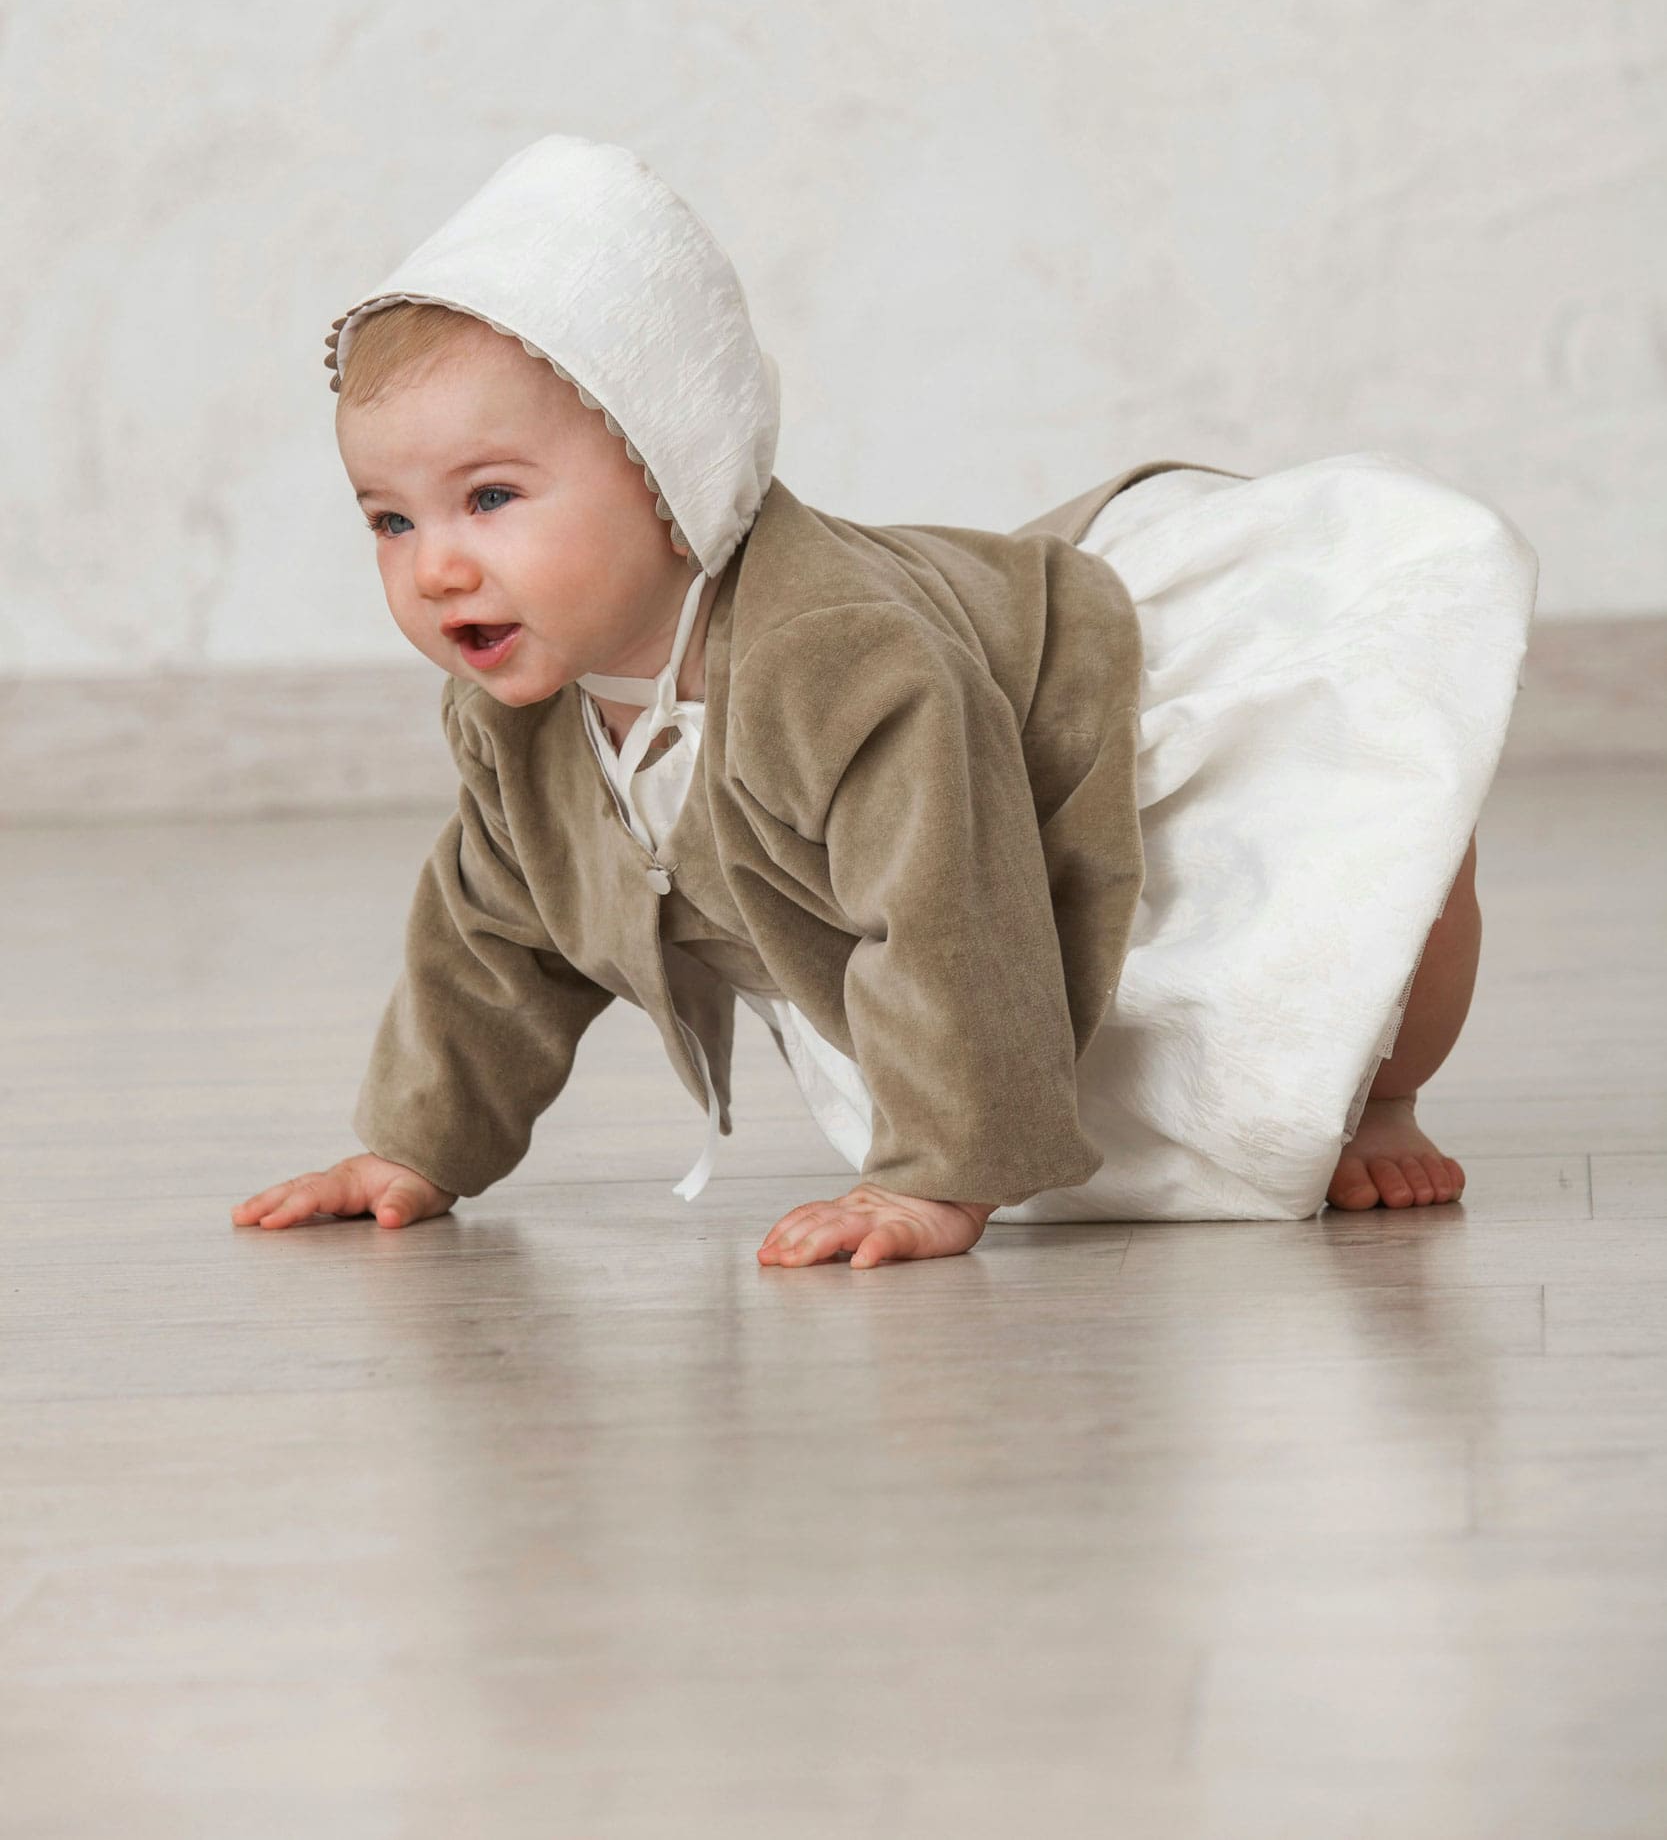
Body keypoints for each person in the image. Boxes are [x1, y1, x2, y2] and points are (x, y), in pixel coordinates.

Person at [232, 133, 1538, 1268]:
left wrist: (939, 1172)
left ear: (668, 476)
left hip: (1078, 721)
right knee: (1124, 1070)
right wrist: (415, 1150)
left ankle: (1386, 1098)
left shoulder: (834, 662)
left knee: (1347, 869)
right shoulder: (518, 720)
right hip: (948, 857)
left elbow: (946, 903)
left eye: (491, 497)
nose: (436, 563)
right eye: (390, 521)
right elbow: (491, 942)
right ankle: (1029, 1102)